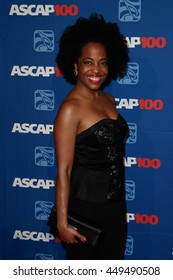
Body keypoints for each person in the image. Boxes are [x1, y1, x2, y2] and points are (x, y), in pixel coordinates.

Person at [53, 13, 130, 260]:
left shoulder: (109, 99)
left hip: (116, 208)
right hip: (86, 210)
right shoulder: (70, 109)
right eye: (88, 62)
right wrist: (62, 224)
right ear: (75, 65)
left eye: (103, 63)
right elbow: (64, 170)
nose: (96, 70)